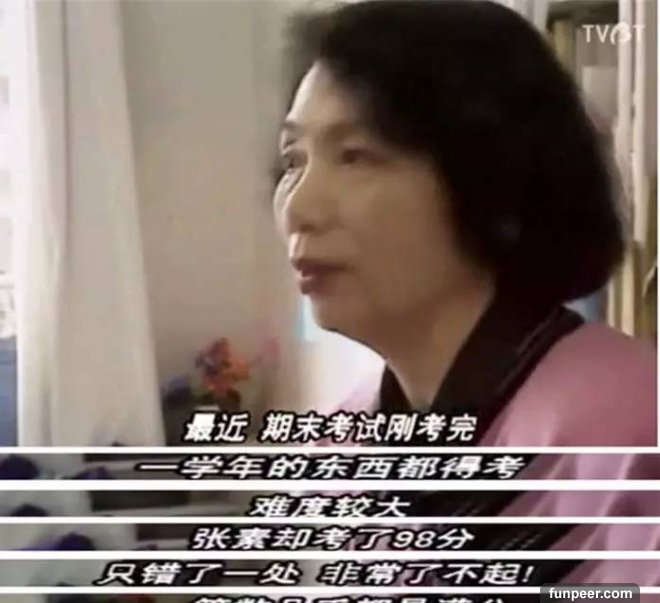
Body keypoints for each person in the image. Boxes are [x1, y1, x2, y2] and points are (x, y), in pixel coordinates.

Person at [270, 0, 659, 588]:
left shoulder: (630, 429)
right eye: (292, 160)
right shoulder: (341, 442)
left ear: (492, 182)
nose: (299, 207)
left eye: (355, 156)